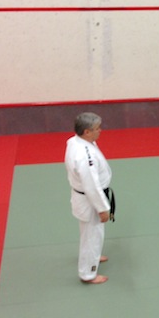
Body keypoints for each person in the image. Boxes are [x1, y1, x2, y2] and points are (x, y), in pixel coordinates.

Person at [65, 112, 113, 284]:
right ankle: (88, 274)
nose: (100, 130)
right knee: (91, 236)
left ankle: (94, 256)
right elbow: (91, 185)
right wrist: (103, 208)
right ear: (86, 131)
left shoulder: (75, 141)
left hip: (86, 196)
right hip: (90, 199)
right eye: (96, 128)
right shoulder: (85, 156)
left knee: (93, 234)